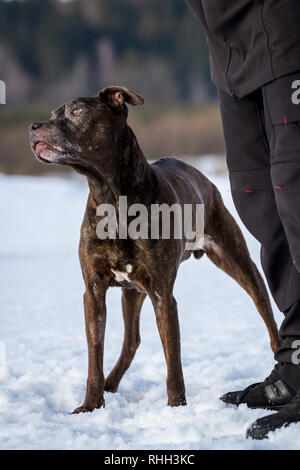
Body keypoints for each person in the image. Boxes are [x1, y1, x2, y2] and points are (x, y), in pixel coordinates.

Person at [185, 0, 300, 439]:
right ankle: (296, 360)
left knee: (296, 194)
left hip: (286, 33)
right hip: (228, 55)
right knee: (258, 201)